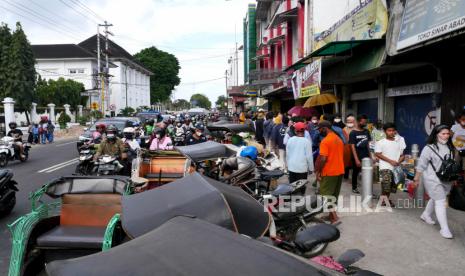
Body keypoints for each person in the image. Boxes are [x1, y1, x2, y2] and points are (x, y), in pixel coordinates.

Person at [413, 125, 459, 239]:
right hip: (432, 179)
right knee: (441, 201)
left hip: (446, 179)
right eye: (443, 134)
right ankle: (445, 229)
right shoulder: (429, 148)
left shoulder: (450, 147)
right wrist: (416, 178)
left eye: (447, 134)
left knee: (436, 198)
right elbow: (421, 165)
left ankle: (426, 215)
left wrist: (454, 179)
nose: (446, 136)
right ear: (436, 134)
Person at [317, 120, 344, 224]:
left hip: (329, 172)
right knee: (333, 195)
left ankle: (335, 218)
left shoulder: (325, 141)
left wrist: (318, 171)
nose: (319, 131)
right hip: (339, 170)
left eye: (319, 129)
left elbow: (323, 159)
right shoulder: (338, 139)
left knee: (326, 195)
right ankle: (330, 216)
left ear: (324, 128)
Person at [374, 123, 406, 207]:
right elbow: (378, 154)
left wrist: (398, 162)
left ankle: (385, 199)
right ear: (385, 132)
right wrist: (390, 161)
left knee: (392, 185)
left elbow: (403, 155)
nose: (391, 132)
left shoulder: (399, 141)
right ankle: (384, 200)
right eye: (389, 130)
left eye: (393, 130)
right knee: (386, 184)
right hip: (385, 166)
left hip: (395, 167)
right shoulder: (380, 142)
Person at [349, 114, 371, 194]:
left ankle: (368, 189)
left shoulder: (366, 131)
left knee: (367, 173)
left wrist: (371, 156)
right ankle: (354, 187)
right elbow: (352, 147)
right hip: (357, 156)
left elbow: (368, 144)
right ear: (358, 122)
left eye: (365, 122)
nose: (364, 124)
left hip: (366, 156)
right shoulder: (353, 133)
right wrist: (356, 159)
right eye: (363, 122)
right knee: (355, 172)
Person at [343, 115, 356, 179]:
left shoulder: (357, 129)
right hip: (346, 149)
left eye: (351, 121)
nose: (349, 122)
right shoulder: (344, 129)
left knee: (354, 163)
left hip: (355, 149)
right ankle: (346, 176)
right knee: (347, 163)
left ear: (354, 122)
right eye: (348, 121)